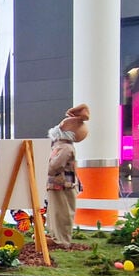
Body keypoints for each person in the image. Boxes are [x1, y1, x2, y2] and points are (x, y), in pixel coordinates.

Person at [46, 104, 90, 246]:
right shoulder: (60, 146)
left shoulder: (64, 148)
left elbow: (54, 166)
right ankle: (54, 237)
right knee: (54, 212)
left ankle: (62, 240)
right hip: (57, 184)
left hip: (63, 185)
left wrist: (43, 165)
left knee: (62, 213)